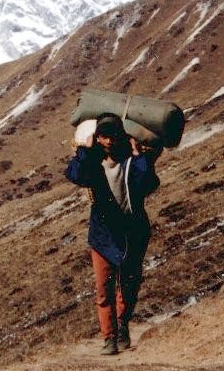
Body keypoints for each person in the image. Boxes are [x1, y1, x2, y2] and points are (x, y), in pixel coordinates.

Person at [65, 113, 162, 355]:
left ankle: (122, 325)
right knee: (103, 290)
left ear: (121, 137)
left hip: (133, 232)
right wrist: (84, 152)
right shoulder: (93, 163)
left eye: (112, 136)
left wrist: (139, 156)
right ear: (97, 138)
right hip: (103, 235)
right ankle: (109, 338)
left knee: (129, 286)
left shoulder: (132, 161)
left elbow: (148, 183)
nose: (108, 141)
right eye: (103, 136)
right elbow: (75, 175)